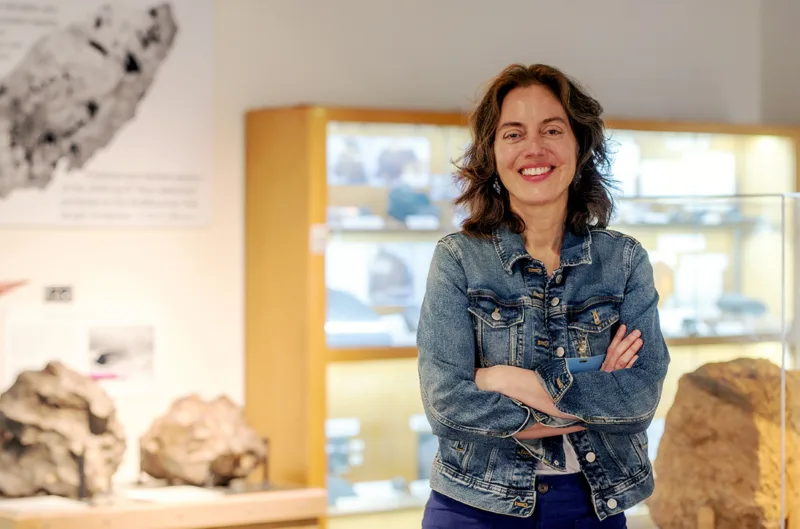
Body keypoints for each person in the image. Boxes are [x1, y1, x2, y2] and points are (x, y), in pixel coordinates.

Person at [416, 63, 670, 529]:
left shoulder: (625, 261)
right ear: (492, 153)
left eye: (552, 130)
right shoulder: (458, 259)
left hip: (594, 506)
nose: (534, 148)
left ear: (580, 144)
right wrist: (592, 403)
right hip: (475, 507)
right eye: (513, 134)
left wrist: (502, 379)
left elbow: (638, 401)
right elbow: (448, 406)